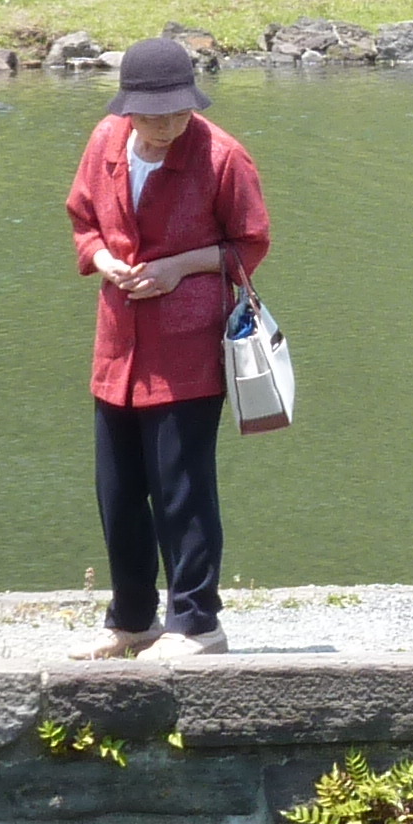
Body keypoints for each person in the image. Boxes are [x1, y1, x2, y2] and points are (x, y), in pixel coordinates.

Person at [63, 36, 272, 659]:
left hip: (186, 349)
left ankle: (198, 623)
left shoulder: (224, 157)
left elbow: (250, 244)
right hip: (117, 346)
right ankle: (132, 620)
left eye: (179, 114)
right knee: (118, 489)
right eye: (152, 116)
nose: (166, 127)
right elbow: (83, 220)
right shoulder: (105, 142)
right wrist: (103, 260)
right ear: (126, 108)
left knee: (181, 487)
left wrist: (180, 267)